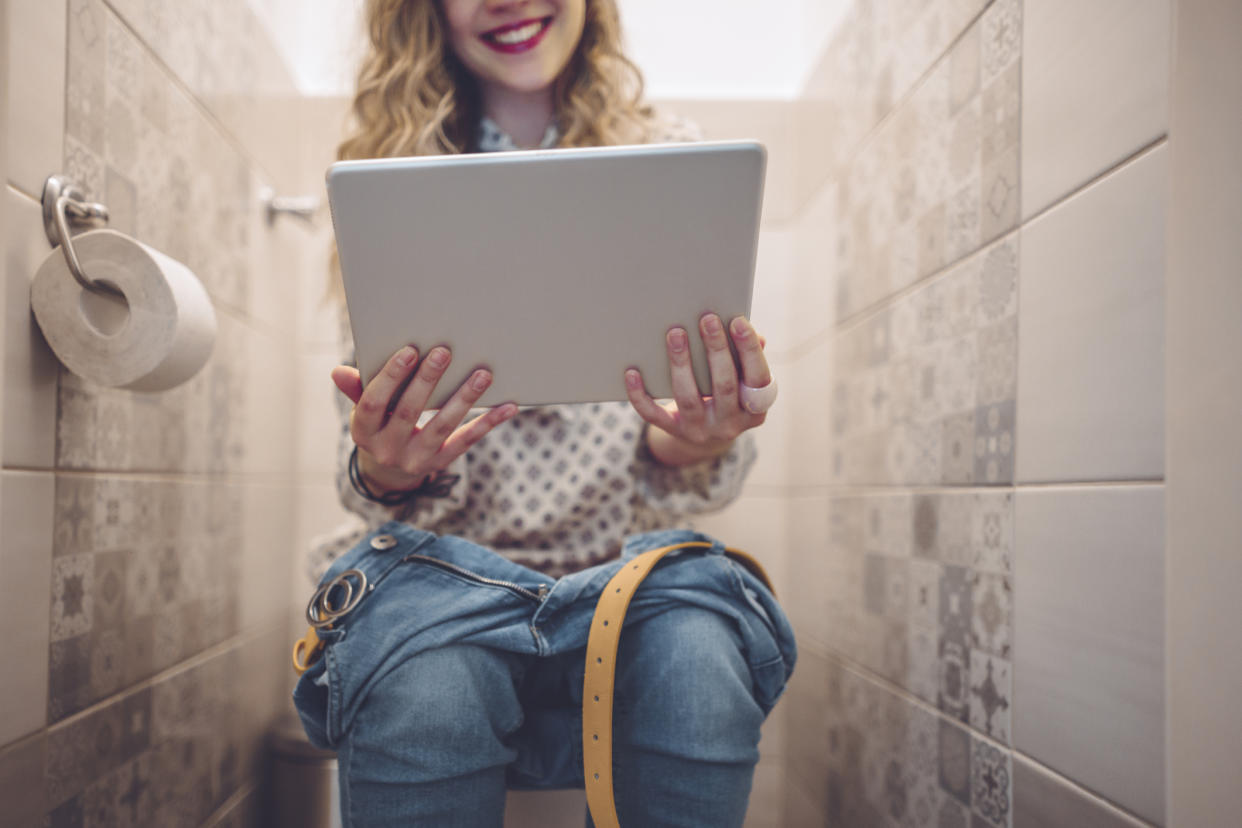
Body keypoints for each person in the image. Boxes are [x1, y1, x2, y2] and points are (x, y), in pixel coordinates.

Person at [294, 1, 796, 826]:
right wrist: (387, 466)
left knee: (698, 659)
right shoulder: (392, 184)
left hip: (622, 576)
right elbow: (374, 462)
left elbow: (677, 445)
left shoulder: (672, 162)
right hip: (438, 574)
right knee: (425, 686)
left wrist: (691, 440)